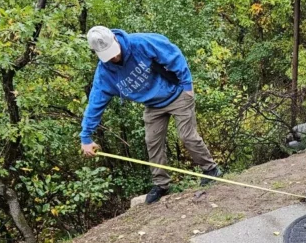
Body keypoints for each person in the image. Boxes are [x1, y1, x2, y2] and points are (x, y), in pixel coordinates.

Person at [80, 26, 222, 205]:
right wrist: (86, 136)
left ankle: (210, 169)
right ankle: (161, 185)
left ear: (115, 39)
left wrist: (187, 87)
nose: (114, 57)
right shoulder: (105, 74)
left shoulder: (141, 43)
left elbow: (173, 54)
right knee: (152, 142)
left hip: (177, 93)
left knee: (187, 136)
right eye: (108, 55)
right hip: (153, 105)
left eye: (114, 52)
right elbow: (95, 103)